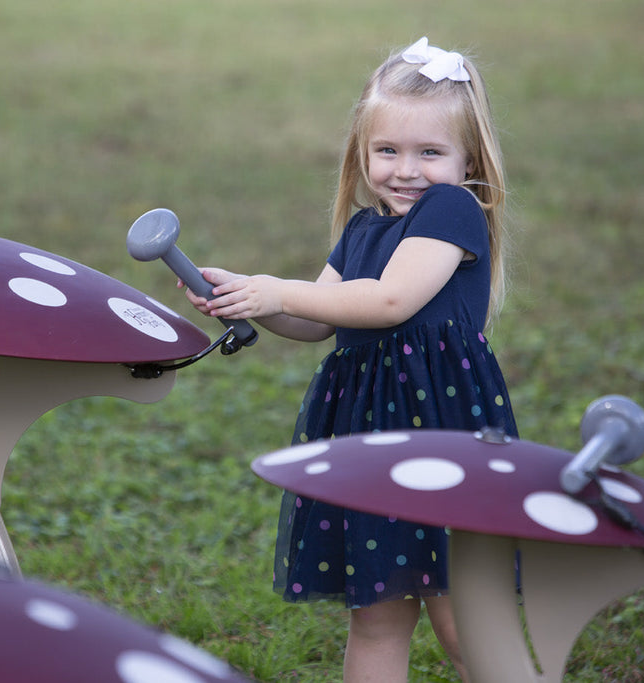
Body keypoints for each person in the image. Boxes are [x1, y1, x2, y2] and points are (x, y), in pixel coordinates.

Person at [181, 37, 517, 682]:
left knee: (458, 611)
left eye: (430, 152)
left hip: (439, 430)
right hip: (367, 429)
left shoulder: (453, 209)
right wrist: (249, 299)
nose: (406, 170)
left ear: (467, 158)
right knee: (377, 610)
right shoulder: (364, 227)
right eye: (387, 151)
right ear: (362, 153)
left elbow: (391, 300)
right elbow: (316, 317)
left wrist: (277, 288)